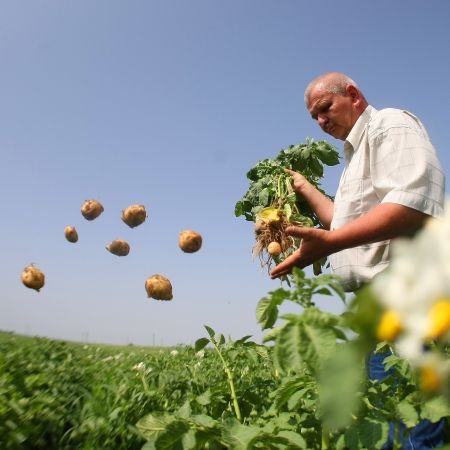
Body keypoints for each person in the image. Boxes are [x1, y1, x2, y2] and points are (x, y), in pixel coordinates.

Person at [270, 72, 446, 449]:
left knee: (410, 421)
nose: (321, 122)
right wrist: (305, 188)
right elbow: (343, 222)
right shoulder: (355, 155)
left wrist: (329, 245)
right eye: (314, 117)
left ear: (353, 95)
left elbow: (412, 206)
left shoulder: (390, 126)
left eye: (325, 108)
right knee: (388, 416)